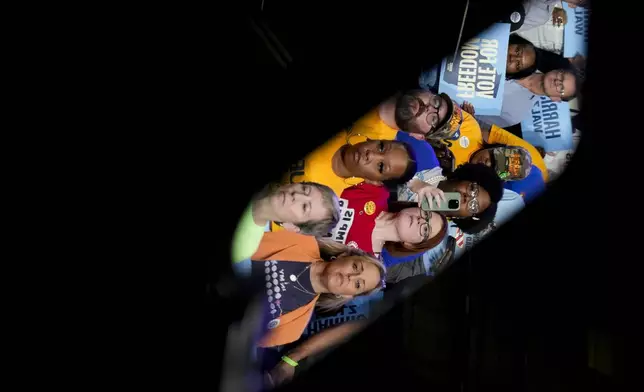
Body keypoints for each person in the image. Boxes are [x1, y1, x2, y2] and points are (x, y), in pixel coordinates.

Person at [247, 231, 386, 348]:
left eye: (358, 284)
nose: (351, 276)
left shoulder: (294, 328)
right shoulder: (303, 243)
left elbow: (244, 340)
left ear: (347, 295)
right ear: (343, 256)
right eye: (355, 267)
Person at [328, 182, 448, 258]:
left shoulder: (368, 260)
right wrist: (414, 182)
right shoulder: (378, 192)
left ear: (411, 245)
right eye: (426, 214)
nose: (421, 220)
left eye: (426, 229)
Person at [231, 182, 341, 263]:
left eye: (304, 207)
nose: (296, 195)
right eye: (304, 189)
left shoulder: (243, 245)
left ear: (292, 226)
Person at [400, 163, 504, 235]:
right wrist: (411, 181)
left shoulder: (426, 234)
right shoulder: (426, 159)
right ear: (466, 178)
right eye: (473, 189)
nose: (467, 198)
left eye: (473, 206)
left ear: (464, 218)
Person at [475, 68, 582, 127]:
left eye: (561, 88)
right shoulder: (522, 56)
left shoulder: (517, 114)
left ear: (556, 99)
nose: (557, 82)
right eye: (561, 76)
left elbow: (477, 120)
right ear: (557, 69)